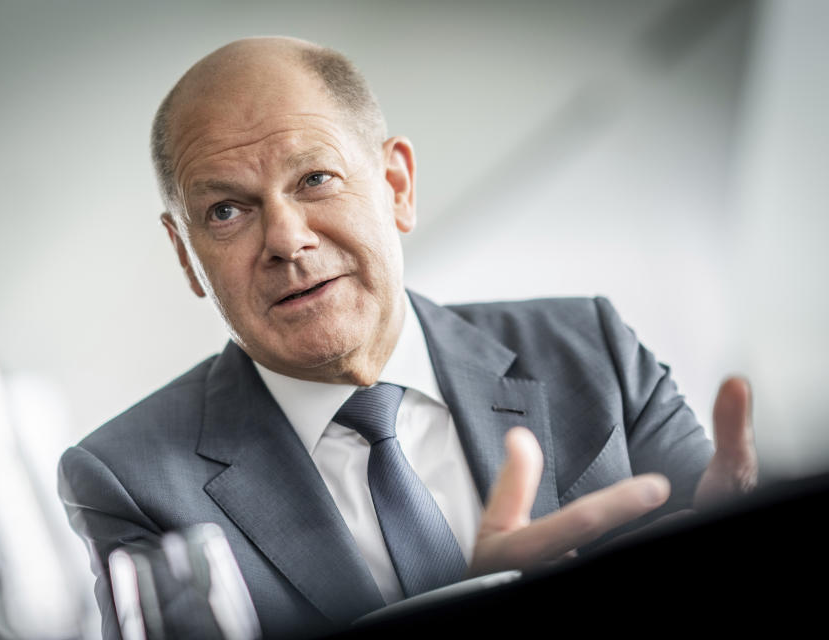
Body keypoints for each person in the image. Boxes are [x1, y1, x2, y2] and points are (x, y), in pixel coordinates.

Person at [58, 37, 758, 639]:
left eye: (316, 178)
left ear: (396, 185)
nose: (286, 240)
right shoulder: (128, 482)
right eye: (226, 211)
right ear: (186, 255)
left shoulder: (589, 346)